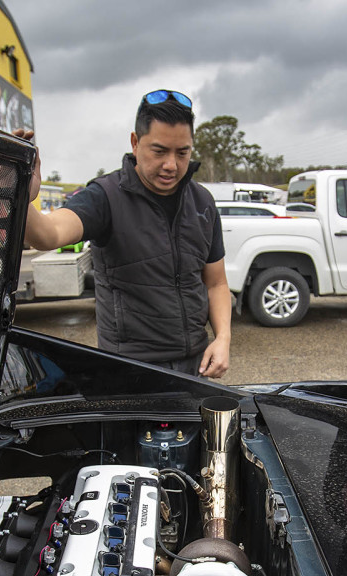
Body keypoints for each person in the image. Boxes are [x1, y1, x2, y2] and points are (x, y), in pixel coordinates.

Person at [16, 90, 230, 378]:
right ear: (135, 143)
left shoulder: (202, 202)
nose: (171, 165)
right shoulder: (105, 197)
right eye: (159, 151)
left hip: (195, 367)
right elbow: (47, 234)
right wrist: (19, 194)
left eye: (182, 153)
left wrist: (223, 338)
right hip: (129, 368)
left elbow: (216, 283)